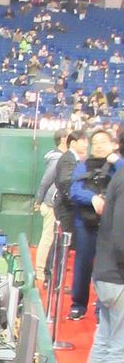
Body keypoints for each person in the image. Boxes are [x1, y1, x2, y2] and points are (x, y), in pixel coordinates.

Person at [84, 140, 124, 363]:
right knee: (118, 348)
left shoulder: (118, 176)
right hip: (118, 275)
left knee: (105, 342)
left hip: (107, 271)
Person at [68, 128, 121, 321]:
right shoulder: (83, 166)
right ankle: (78, 305)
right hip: (86, 223)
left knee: (108, 268)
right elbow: (74, 190)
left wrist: (118, 162)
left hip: (112, 226)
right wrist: (93, 199)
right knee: (82, 265)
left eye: (103, 142)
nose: (98, 146)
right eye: (95, 142)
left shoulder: (118, 165)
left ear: (114, 144)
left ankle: (101, 309)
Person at [33, 131, 66, 284]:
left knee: (53, 238)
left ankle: (48, 269)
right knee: (48, 238)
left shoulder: (60, 156)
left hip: (55, 203)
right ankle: (40, 271)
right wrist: (39, 200)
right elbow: (46, 181)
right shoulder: (57, 158)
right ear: (63, 139)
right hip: (51, 204)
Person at [54, 129, 89, 243]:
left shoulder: (75, 159)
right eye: (83, 141)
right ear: (73, 143)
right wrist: (75, 201)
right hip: (66, 209)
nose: (86, 145)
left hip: (68, 207)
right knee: (63, 242)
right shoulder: (68, 159)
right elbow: (65, 183)